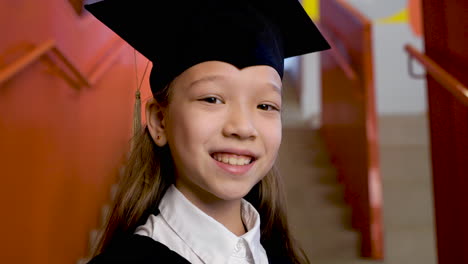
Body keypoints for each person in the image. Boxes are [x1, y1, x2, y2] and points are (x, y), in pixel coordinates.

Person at [84, 0, 329, 263]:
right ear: (159, 121)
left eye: (265, 105)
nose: (243, 128)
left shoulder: (281, 256)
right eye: (212, 99)